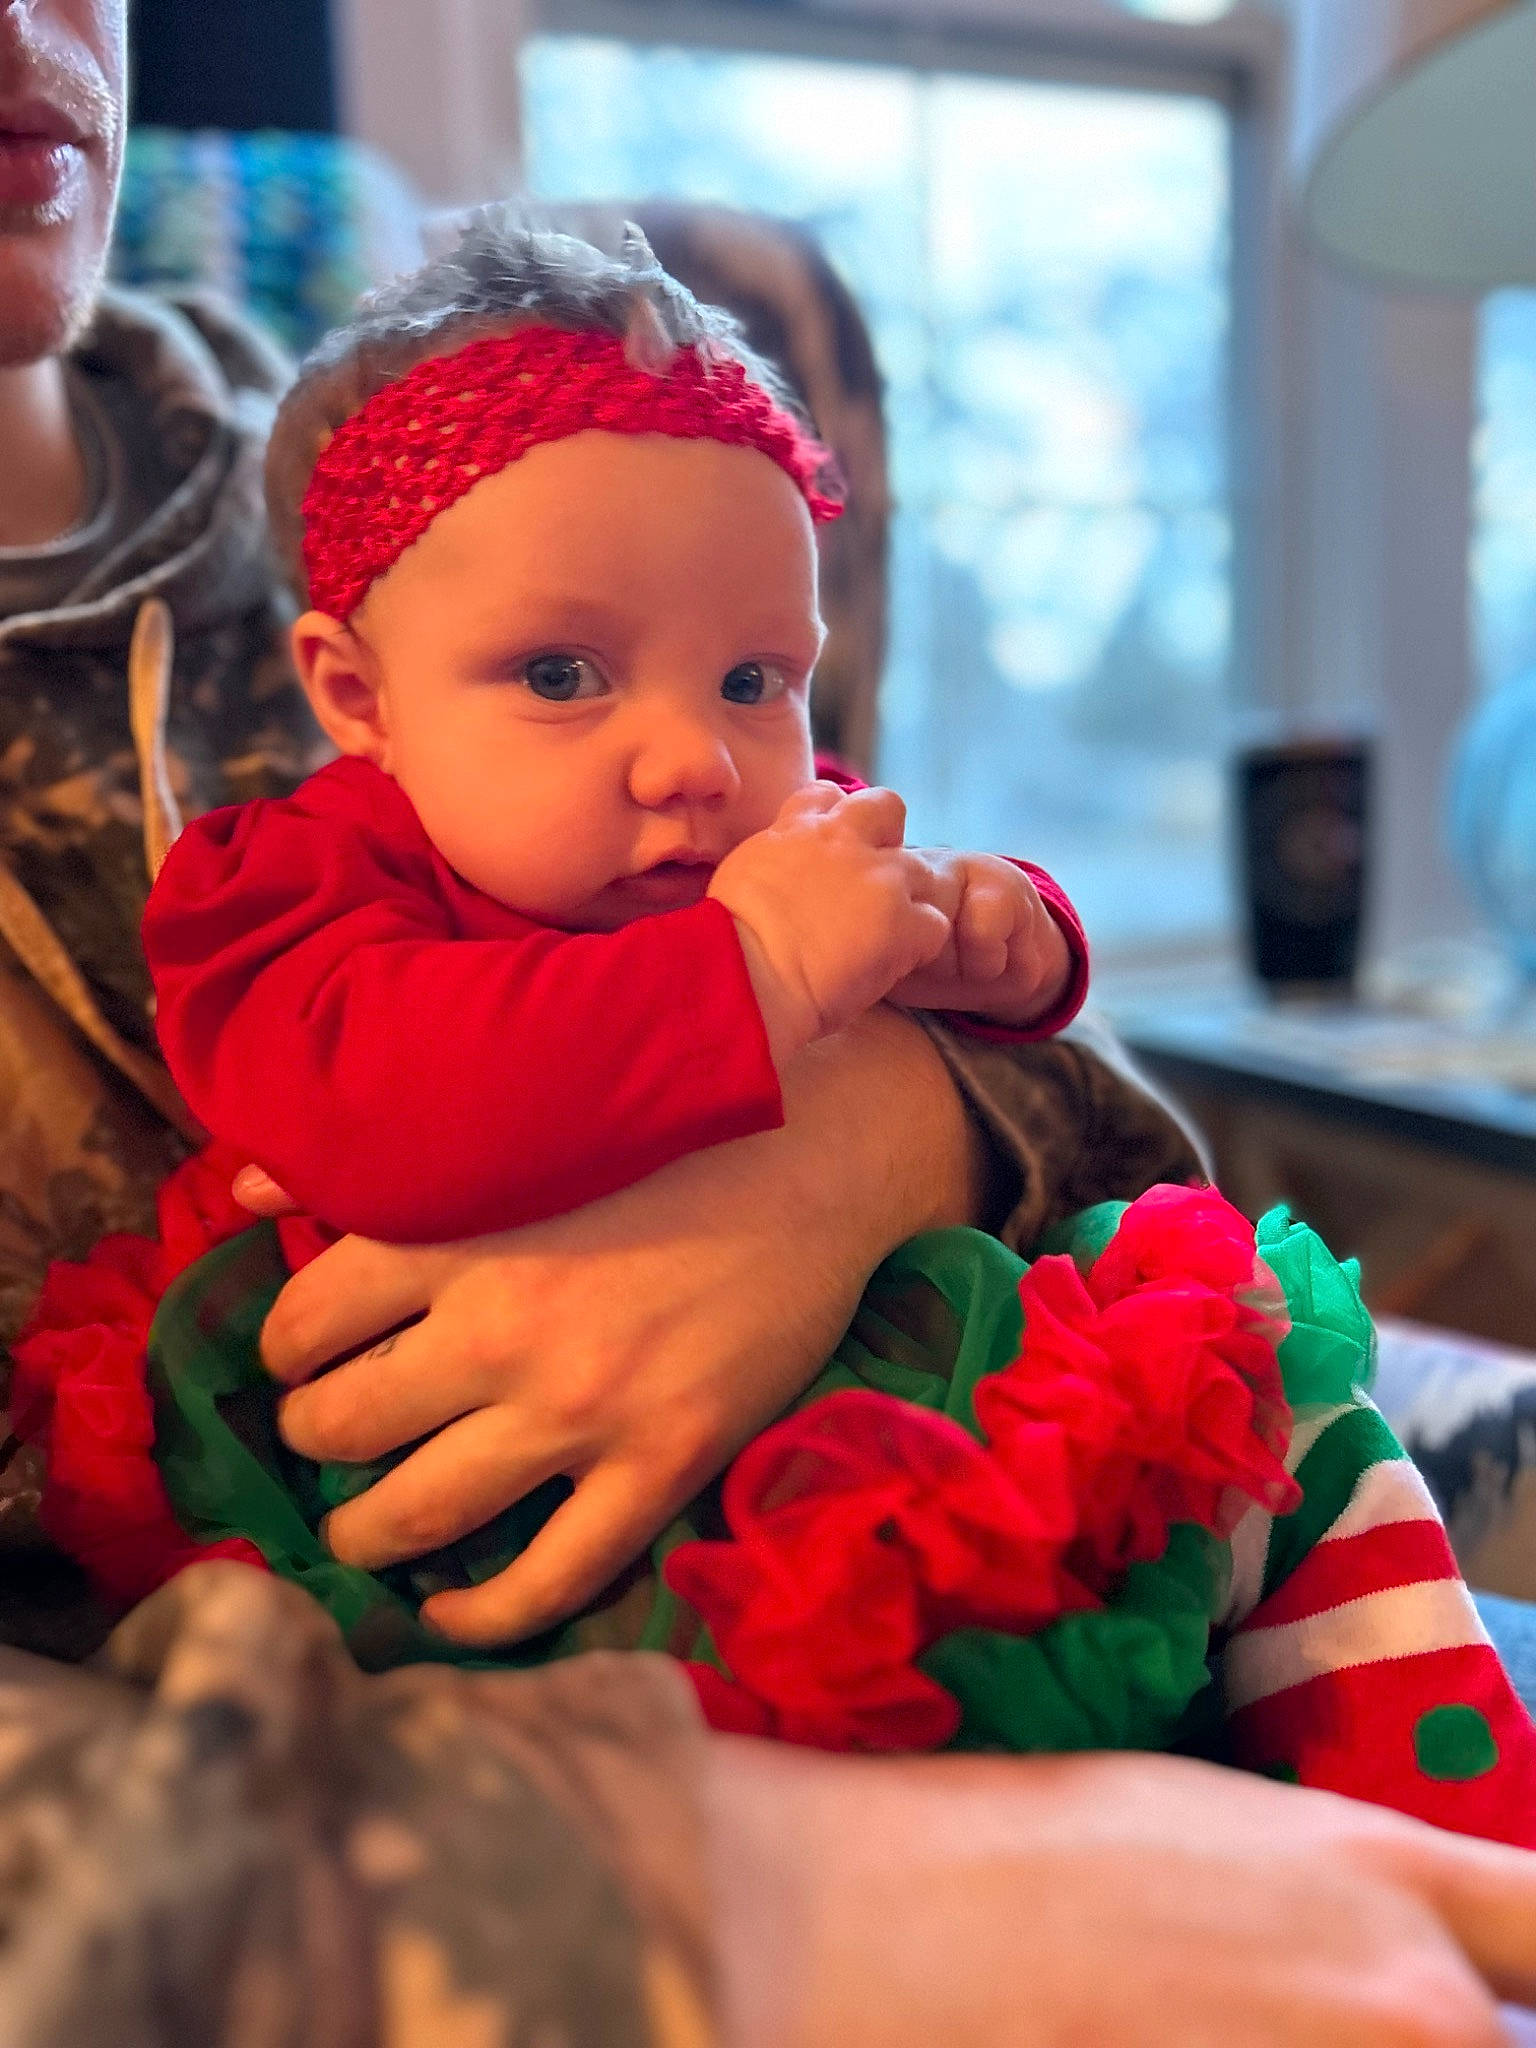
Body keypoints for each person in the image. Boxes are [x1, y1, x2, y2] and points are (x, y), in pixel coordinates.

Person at [0, 2, 1534, 2040]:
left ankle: (1461, 1827)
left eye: (759, 683)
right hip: (428, 1603)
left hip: (883, 1365)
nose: (697, 761)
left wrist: (957, 1005)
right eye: (564, 682)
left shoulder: (461, 464)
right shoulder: (314, 839)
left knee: (1271, 1379)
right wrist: (770, 992)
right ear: (350, 690)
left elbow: (1088, 1099)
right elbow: (364, 1093)